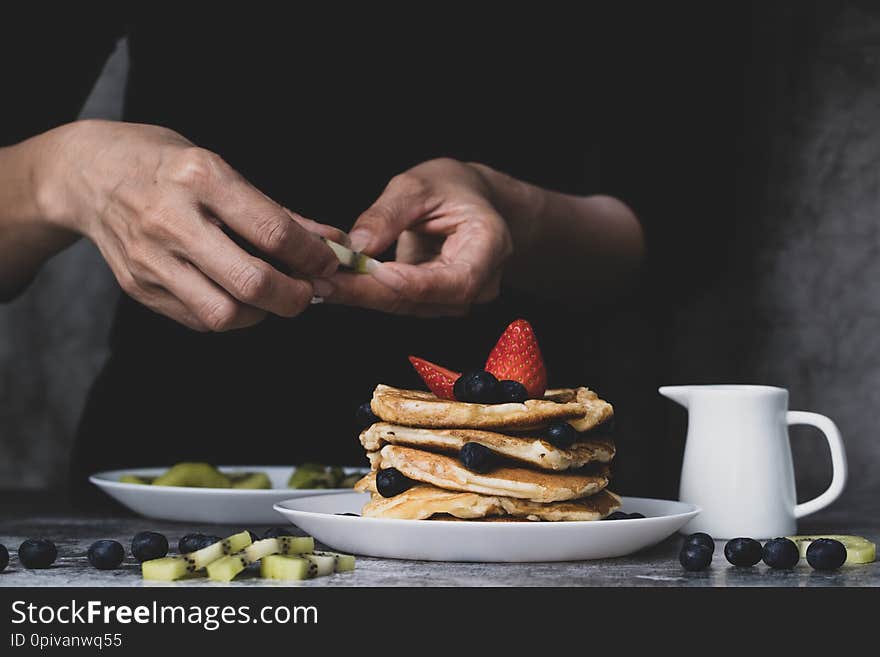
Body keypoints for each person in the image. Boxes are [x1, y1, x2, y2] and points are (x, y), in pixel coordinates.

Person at [1, 10, 651, 504]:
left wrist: (514, 211)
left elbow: (657, 241)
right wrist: (64, 174)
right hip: (166, 484)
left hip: (515, 479)